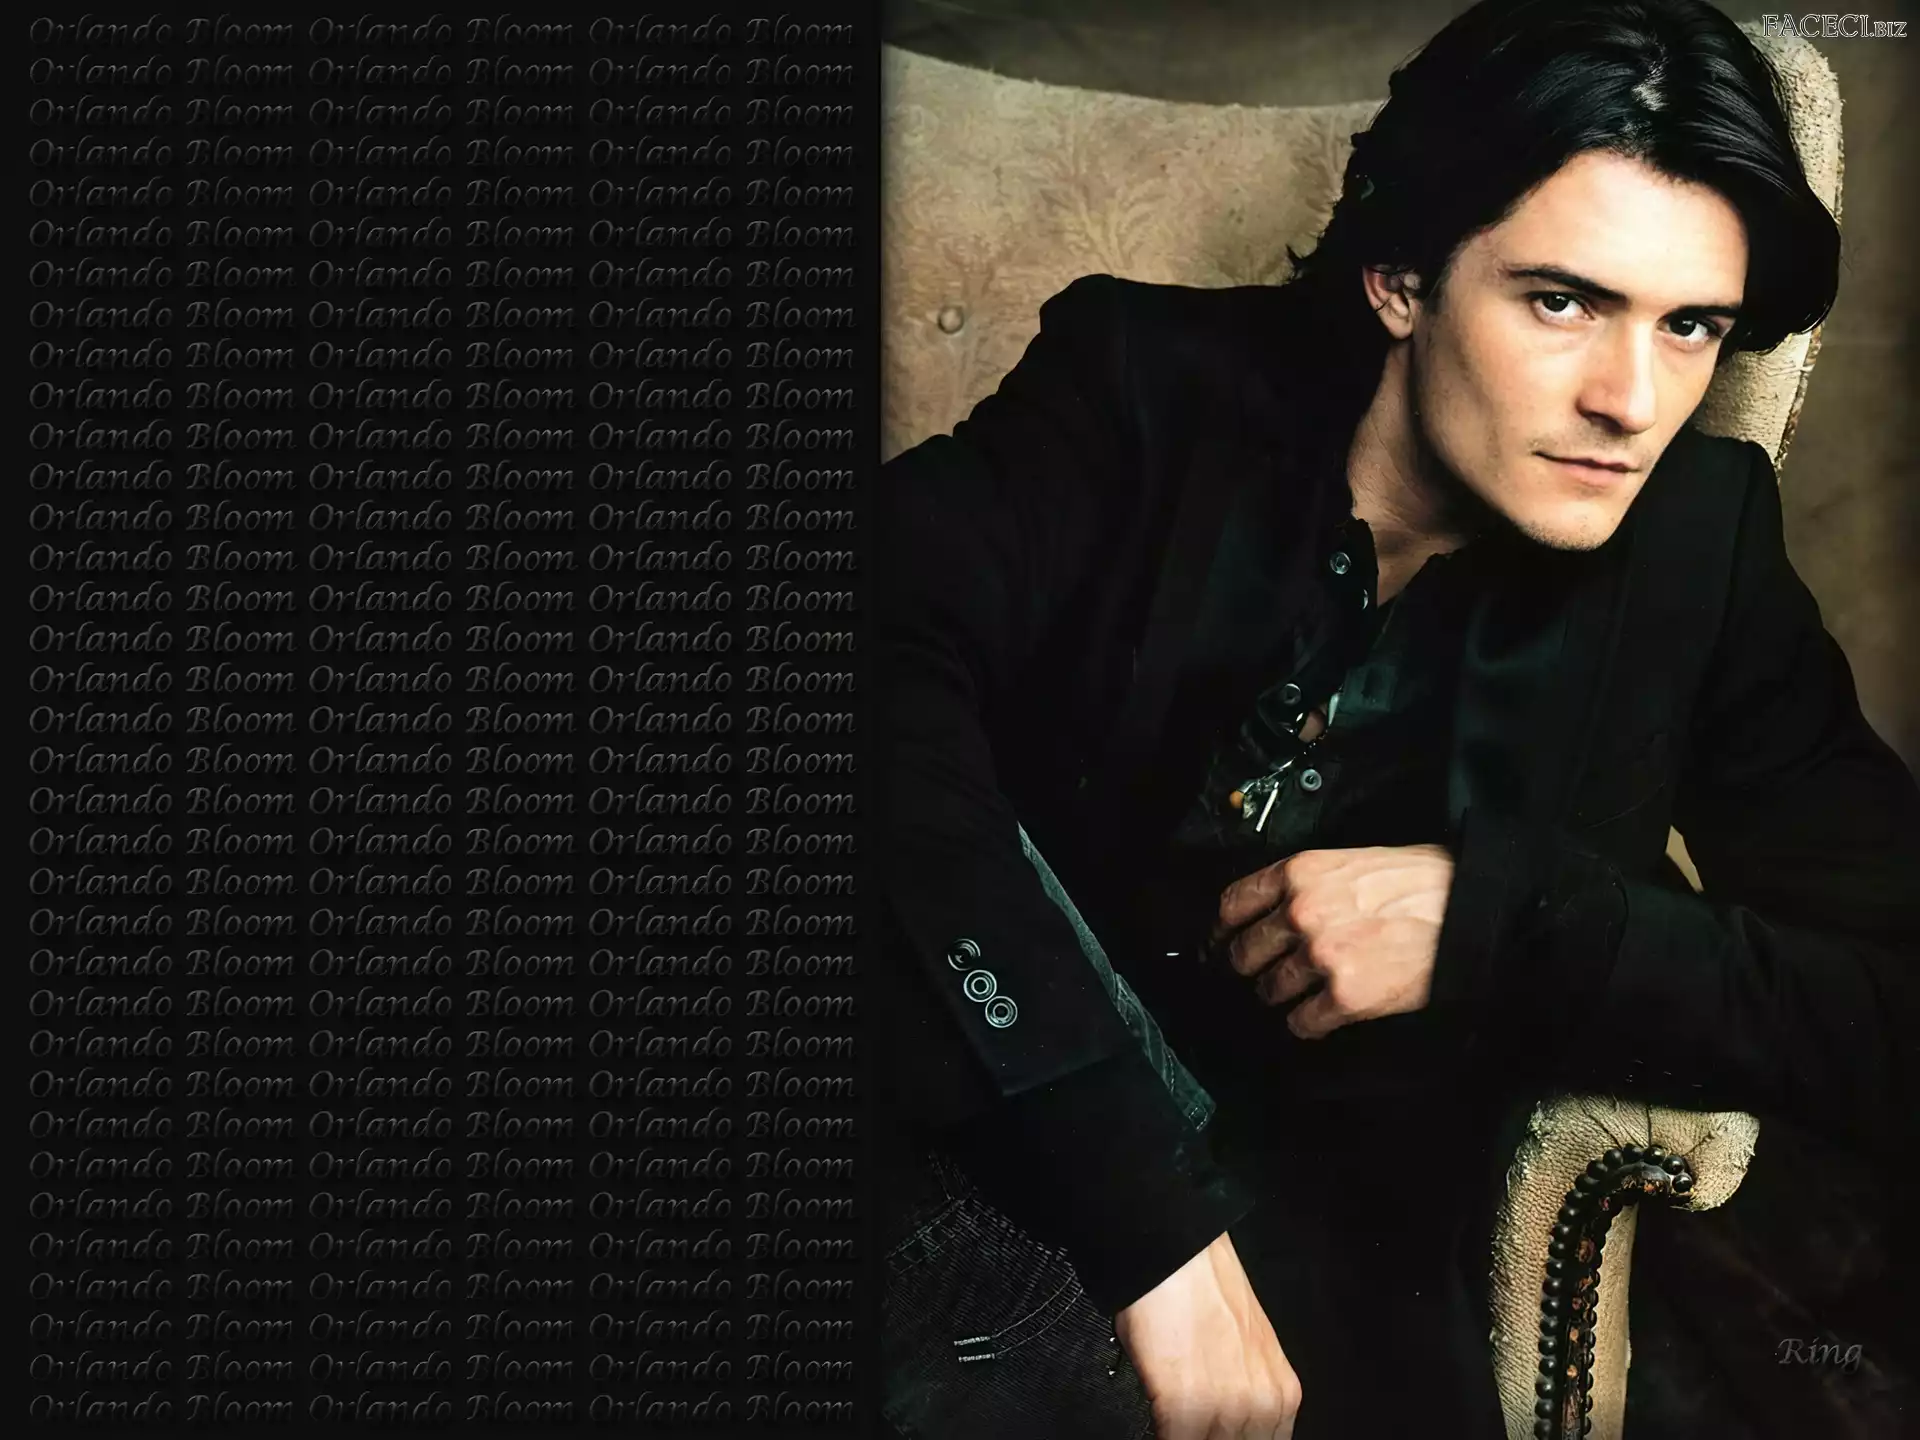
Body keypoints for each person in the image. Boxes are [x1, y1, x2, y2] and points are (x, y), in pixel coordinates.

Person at [874, 1, 1920, 1436]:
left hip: (1338, 1299)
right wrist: (1144, 1222)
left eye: (1691, 327)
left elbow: (1889, 1002)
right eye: (1563, 302)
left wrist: (1502, 921)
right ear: (1400, 279)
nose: (1631, 401)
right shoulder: (1141, 389)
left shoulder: (1700, 547)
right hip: (996, 1150)